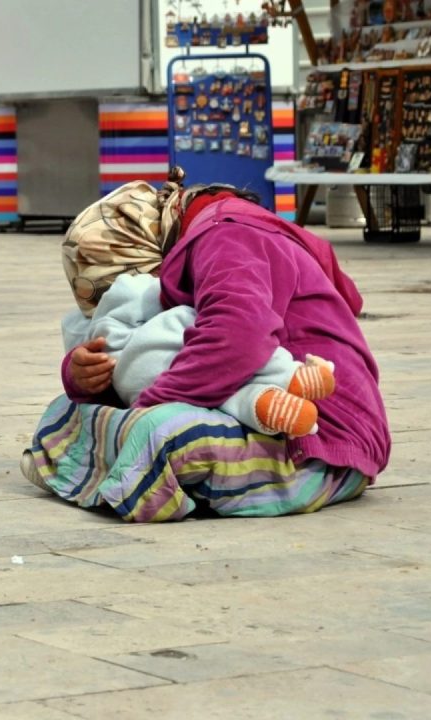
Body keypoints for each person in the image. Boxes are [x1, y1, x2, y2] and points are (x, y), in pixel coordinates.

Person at [23, 174, 391, 522]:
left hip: (321, 441)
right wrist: (84, 375)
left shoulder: (228, 235)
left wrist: (147, 403)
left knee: (156, 431)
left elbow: (236, 337)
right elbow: (150, 348)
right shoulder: (211, 231)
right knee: (65, 410)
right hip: (267, 419)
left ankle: (124, 476)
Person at [63, 273, 337, 438]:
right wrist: (76, 374)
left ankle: (264, 403)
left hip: (140, 385)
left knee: (224, 390)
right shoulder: (140, 289)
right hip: (159, 374)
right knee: (225, 347)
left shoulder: (85, 319)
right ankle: (289, 375)